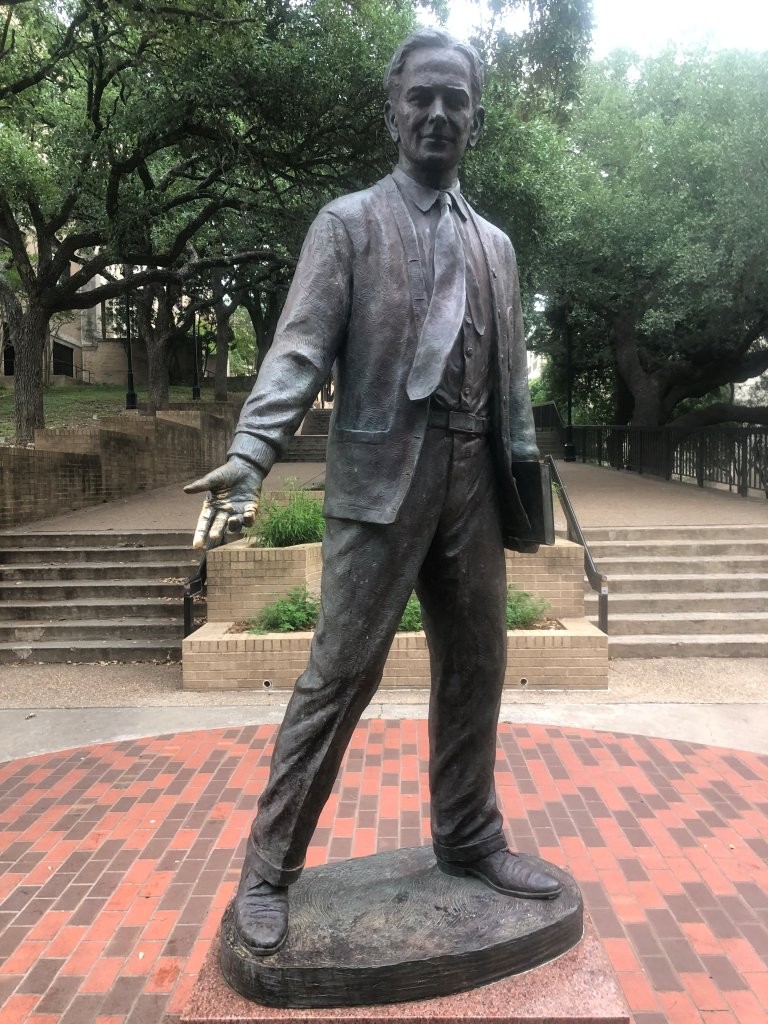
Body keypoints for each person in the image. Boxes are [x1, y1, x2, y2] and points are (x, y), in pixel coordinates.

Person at [185, 27, 561, 957]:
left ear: (475, 118)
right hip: (379, 480)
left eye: (456, 100)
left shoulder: (499, 248)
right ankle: (269, 868)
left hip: (476, 473)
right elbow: (301, 348)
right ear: (393, 109)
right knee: (338, 677)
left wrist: (521, 483)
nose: (438, 114)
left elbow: (512, 379)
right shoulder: (348, 224)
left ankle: (469, 836)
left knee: (477, 667)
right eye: (421, 97)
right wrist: (252, 450)